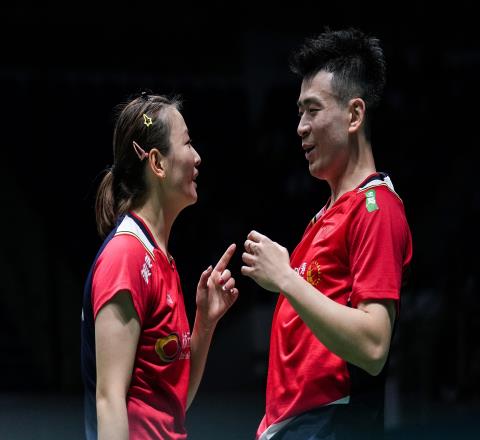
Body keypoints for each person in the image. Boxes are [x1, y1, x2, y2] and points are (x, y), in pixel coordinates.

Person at [241, 28, 413, 439]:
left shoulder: (376, 209)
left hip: (332, 424)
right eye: (299, 112)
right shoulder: (325, 216)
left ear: (354, 116)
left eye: (313, 110)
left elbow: (373, 346)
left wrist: (285, 277)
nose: (300, 127)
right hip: (296, 426)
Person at [81, 92, 239, 440]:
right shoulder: (126, 256)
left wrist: (205, 323)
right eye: (187, 143)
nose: (197, 157)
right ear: (157, 163)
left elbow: (173, 403)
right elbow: (109, 401)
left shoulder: (159, 258)